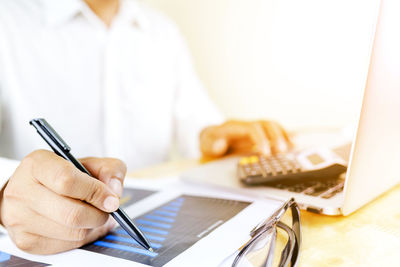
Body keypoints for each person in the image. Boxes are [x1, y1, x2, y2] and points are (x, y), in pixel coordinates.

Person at [0, 0, 291, 254]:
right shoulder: (7, 20)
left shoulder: (162, 31)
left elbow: (196, 119)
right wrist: (5, 192)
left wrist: (210, 136)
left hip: (158, 221)